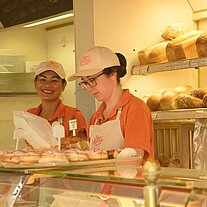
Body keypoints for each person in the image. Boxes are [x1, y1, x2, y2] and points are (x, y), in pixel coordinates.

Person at [68, 46, 154, 163]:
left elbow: (133, 160)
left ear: (113, 74)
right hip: (101, 181)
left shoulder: (135, 109)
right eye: (84, 82)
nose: (88, 88)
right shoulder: (96, 118)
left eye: (92, 80)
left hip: (129, 181)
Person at [27, 60, 87, 147]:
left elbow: (83, 148)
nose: (47, 85)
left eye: (54, 81)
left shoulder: (74, 115)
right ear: (35, 84)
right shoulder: (29, 115)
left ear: (63, 85)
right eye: (42, 80)